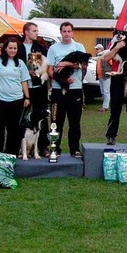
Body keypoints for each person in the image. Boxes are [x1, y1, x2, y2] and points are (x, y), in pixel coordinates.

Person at [47, 22, 87, 157]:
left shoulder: (79, 46)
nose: (67, 34)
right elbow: (50, 70)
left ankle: (74, 149)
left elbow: (83, 66)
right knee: (55, 121)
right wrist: (63, 80)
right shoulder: (53, 49)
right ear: (60, 32)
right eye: (64, 31)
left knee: (74, 121)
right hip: (58, 89)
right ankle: (54, 149)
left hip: (75, 89)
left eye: (69, 31)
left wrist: (66, 64)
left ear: (73, 32)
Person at [0, 37, 31, 155]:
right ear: (5, 49)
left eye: (15, 48)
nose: (12, 50)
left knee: (14, 129)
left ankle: (11, 153)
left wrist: (27, 97)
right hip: (0, 100)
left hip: (17, 100)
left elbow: (24, 81)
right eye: (10, 48)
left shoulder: (21, 63)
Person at [21, 21, 49, 112]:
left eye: (37, 31)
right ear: (26, 32)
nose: (37, 33)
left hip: (39, 85)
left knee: (41, 112)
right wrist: (27, 72)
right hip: (22, 86)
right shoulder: (18, 47)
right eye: (34, 31)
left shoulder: (41, 48)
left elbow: (47, 65)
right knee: (24, 113)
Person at [94, 43, 111, 112]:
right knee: (103, 91)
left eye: (97, 49)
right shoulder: (98, 57)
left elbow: (111, 64)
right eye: (96, 49)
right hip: (100, 76)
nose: (96, 50)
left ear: (101, 49)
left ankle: (105, 106)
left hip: (106, 76)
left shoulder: (106, 56)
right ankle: (105, 105)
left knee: (106, 91)